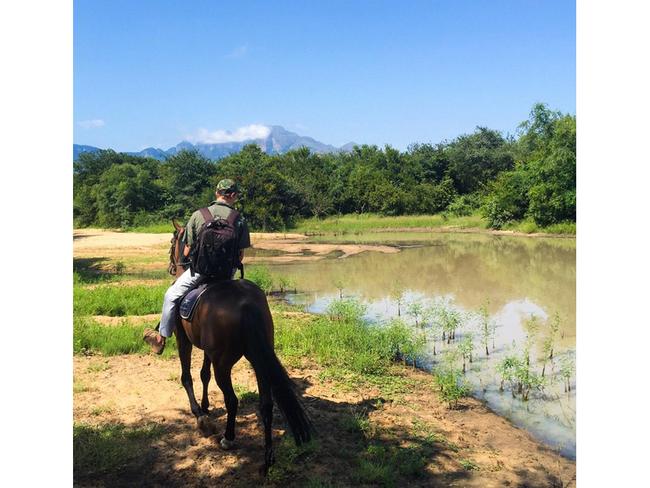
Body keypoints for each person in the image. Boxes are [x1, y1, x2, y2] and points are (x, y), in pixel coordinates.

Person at [143, 179, 251, 354]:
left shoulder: (198, 215)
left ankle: (160, 338)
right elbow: (240, 255)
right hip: (227, 275)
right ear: (232, 196)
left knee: (171, 295)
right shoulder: (239, 219)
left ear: (217, 194)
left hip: (200, 272)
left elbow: (187, 251)